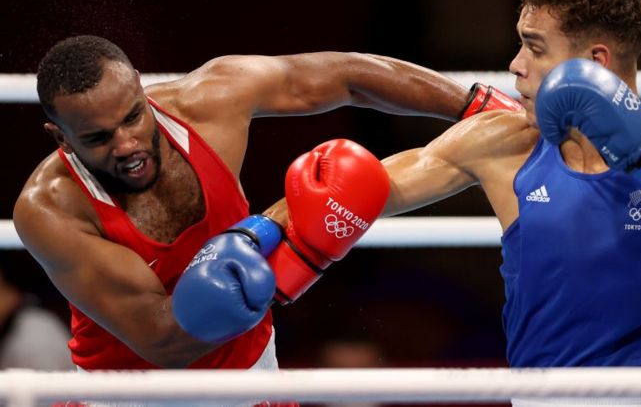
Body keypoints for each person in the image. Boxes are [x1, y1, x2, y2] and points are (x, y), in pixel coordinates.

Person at [369, 0, 641, 405]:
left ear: (594, 63)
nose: (515, 65)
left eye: (535, 48)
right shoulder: (505, 144)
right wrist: (279, 224)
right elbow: (362, 190)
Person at [11, 34, 520, 377]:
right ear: (59, 136)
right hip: (132, 391)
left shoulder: (209, 102)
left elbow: (346, 76)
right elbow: (164, 341)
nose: (126, 145)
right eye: (98, 137)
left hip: (253, 372)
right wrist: (299, 253)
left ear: (142, 91)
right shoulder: (52, 210)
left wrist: (478, 106)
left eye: (133, 117)